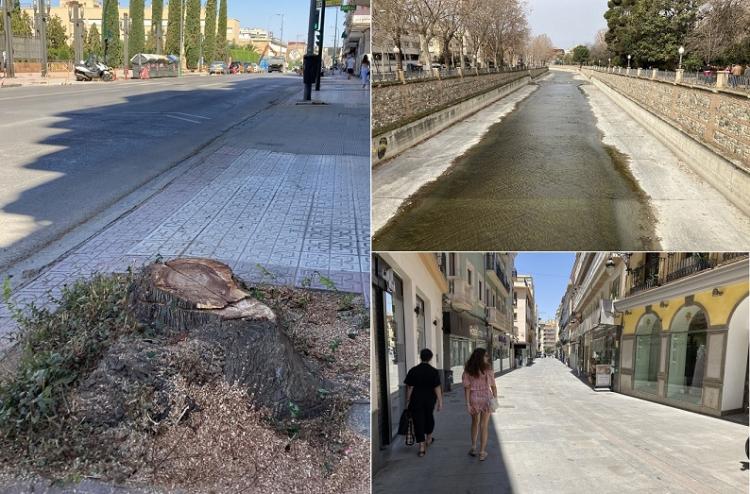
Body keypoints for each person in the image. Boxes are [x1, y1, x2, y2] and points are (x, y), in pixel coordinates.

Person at [404, 348, 443, 457]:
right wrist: (440, 402)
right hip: (430, 400)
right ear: (430, 358)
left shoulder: (413, 370)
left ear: (420, 357)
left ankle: (421, 446)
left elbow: (410, 387)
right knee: (429, 417)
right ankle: (429, 438)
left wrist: (407, 401)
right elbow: (437, 388)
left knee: (418, 421)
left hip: (416, 400)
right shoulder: (434, 371)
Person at [462, 348, 497, 462]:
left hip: (474, 398)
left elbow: (466, 388)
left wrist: (467, 404)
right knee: (484, 425)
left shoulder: (468, 370)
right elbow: (493, 386)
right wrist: (495, 400)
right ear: (480, 357)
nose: (487, 358)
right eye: (486, 356)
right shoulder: (488, 370)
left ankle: (473, 447)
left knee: (474, 423)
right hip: (486, 398)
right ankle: (482, 452)